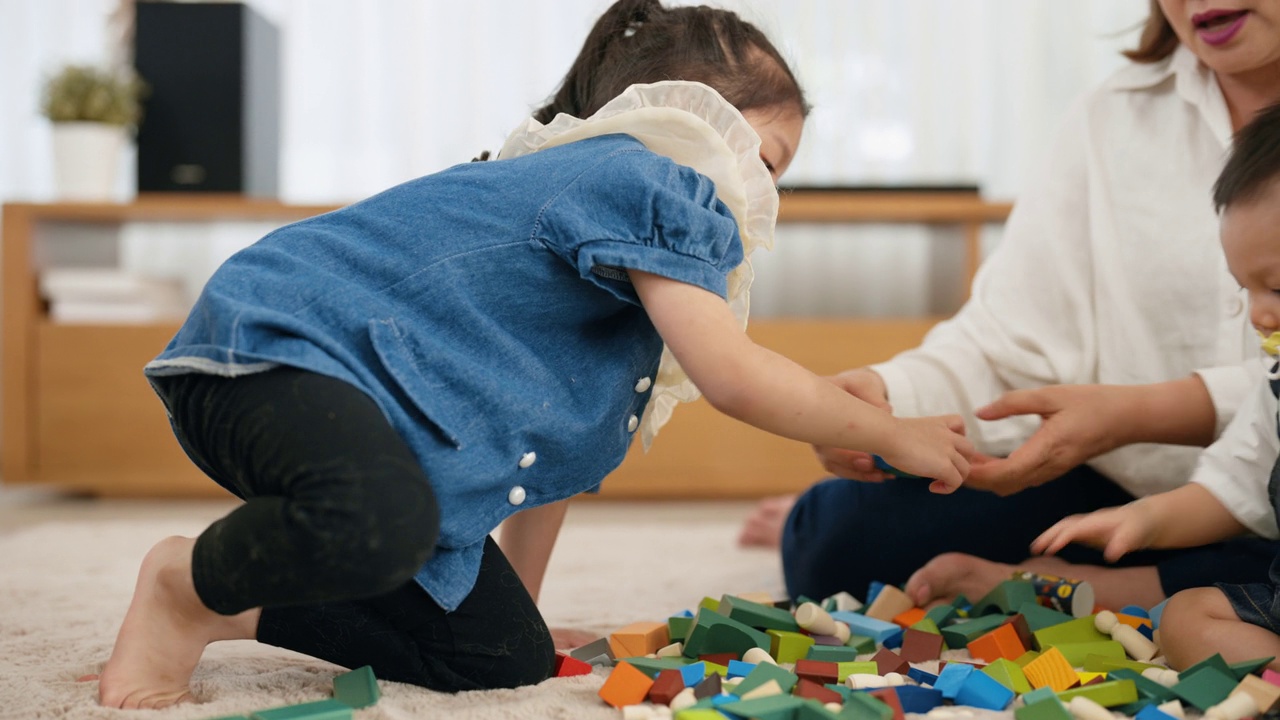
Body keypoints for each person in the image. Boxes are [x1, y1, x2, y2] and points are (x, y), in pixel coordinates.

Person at [90, 0, 973, 710]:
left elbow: (543, 469)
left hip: (354, 423)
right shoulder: (644, 176)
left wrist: (523, 606)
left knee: (499, 655)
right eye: (768, 165)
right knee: (378, 516)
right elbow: (738, 378)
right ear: (691, 119)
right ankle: (185, 583)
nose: (762, 202)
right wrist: (894, 435)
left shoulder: (617, 307)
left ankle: (235, 605)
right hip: (278, 349)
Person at [740, 0, 1280, 612]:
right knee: (834, 539)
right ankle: (1155, 579)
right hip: (1126, 490)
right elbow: (1010, 337)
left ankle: (1119, 585)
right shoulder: (1113, 115)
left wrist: (1143, 412)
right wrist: (889, 399)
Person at [1033, 101, 1280, 672]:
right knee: (1185, 619)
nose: (1260, 317)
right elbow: (1233, 488)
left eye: (1279, 290)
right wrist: (1144, 520)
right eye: (1247, 290)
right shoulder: (1275, 388)